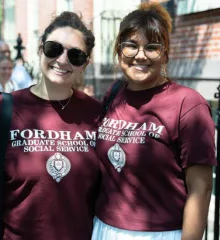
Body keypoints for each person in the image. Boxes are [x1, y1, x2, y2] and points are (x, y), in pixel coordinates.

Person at [92, 2, 217, 240]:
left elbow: (201, 189)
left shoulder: (188, 104)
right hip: (104, 228)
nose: (140, 55)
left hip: (160, 234)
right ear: (119, 50)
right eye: (131, 46)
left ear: (165, 53)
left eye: (152, 47)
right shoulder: (114, 94)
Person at [0, 11, 102, 240]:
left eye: (75, 55)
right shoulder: (2, 109)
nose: (63, 60)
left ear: (84, 64)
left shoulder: (97, 114)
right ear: (40, 49)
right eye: (54, 49)